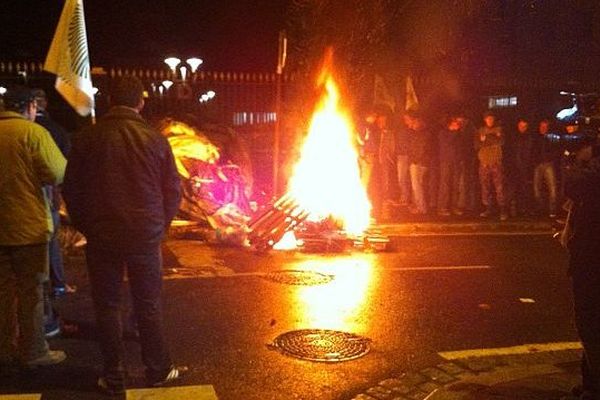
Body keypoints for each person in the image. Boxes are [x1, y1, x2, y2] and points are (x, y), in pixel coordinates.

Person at [62, 76, 185, 395]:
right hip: (145, 234)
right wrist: (161, 225)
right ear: (141, 102)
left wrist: (86, 225)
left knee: (108, 305)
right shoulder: (155, 139)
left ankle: (114, 375)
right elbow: (172, 190)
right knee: (148, 303)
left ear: (109, 101)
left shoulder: (87, 137)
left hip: (103, 233)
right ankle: (158, 369)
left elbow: (72, 189)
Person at [0, 86, 67, 368]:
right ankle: (34, 351)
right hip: (28, 227)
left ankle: (4, 350)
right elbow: (58, 171)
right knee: (31, 292)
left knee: (3, 292)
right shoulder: (33, 133)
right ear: (29, 107)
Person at [562, 142, 600, 400]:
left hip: (591, 257)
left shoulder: (591, 176)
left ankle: (595, 387)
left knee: (589, 322)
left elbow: (575, 184)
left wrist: (581, 162)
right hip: (587, 253)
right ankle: (589, 382)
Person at [475, 111, 507, 220]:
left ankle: (502, 209)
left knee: (500, 187)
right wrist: (493, 138)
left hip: (496, 162)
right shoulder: (480, 131)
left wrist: (486, 139)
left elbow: (501, 142)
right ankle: (488, 208)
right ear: (485, 119)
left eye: (491, 118)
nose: (490, 120)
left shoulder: (500, 130)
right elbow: (476, 144)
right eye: (488, 118)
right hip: (484, 163)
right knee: (485, 187)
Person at [437, 115, 467, 216]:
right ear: (450, 124)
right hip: (446, 162)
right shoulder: (443, 133)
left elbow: (461, 147)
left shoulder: (459, 134)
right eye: (455, 123)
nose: (457, 125)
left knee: (455, 185)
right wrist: (454, 132)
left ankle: (454, 207)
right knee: (445, 185)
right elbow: (447, 143)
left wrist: (461, 159)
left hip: (456, 163)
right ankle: (442, 208)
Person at [532, 119, 560, 218]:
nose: (543, 129)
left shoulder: (552, 138)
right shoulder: (535, 138)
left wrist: (551, 158)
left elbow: (557, 150)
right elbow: (532, 151)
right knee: (536, 188)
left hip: (549, 164)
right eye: (541, 126)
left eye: (545, 127)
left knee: (552, 188)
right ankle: (540, 209)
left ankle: (552, 210)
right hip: (538, 165)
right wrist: (535, 161)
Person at [405, 111, 432, 215]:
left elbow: (421, 148)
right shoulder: (419, 132)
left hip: (418, 162)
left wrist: (415, 160)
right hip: (420, 161)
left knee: (417, 185)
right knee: (417, 184)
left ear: (416, 121)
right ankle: (418, 206)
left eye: (409, 120)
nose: (407, 123)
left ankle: (421, 208)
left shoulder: (421, 133)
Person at [511, 117, 534, 216]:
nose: (522, 128)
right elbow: (511, 153)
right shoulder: (513, 137)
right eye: (521, 126)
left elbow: (530, 153)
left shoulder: (529, 138)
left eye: (524, 126)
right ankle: (514, 209)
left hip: (525, 167)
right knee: (514, 189)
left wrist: (527, 166)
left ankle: (525, 209)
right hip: (514, 168)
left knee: (525, 189)